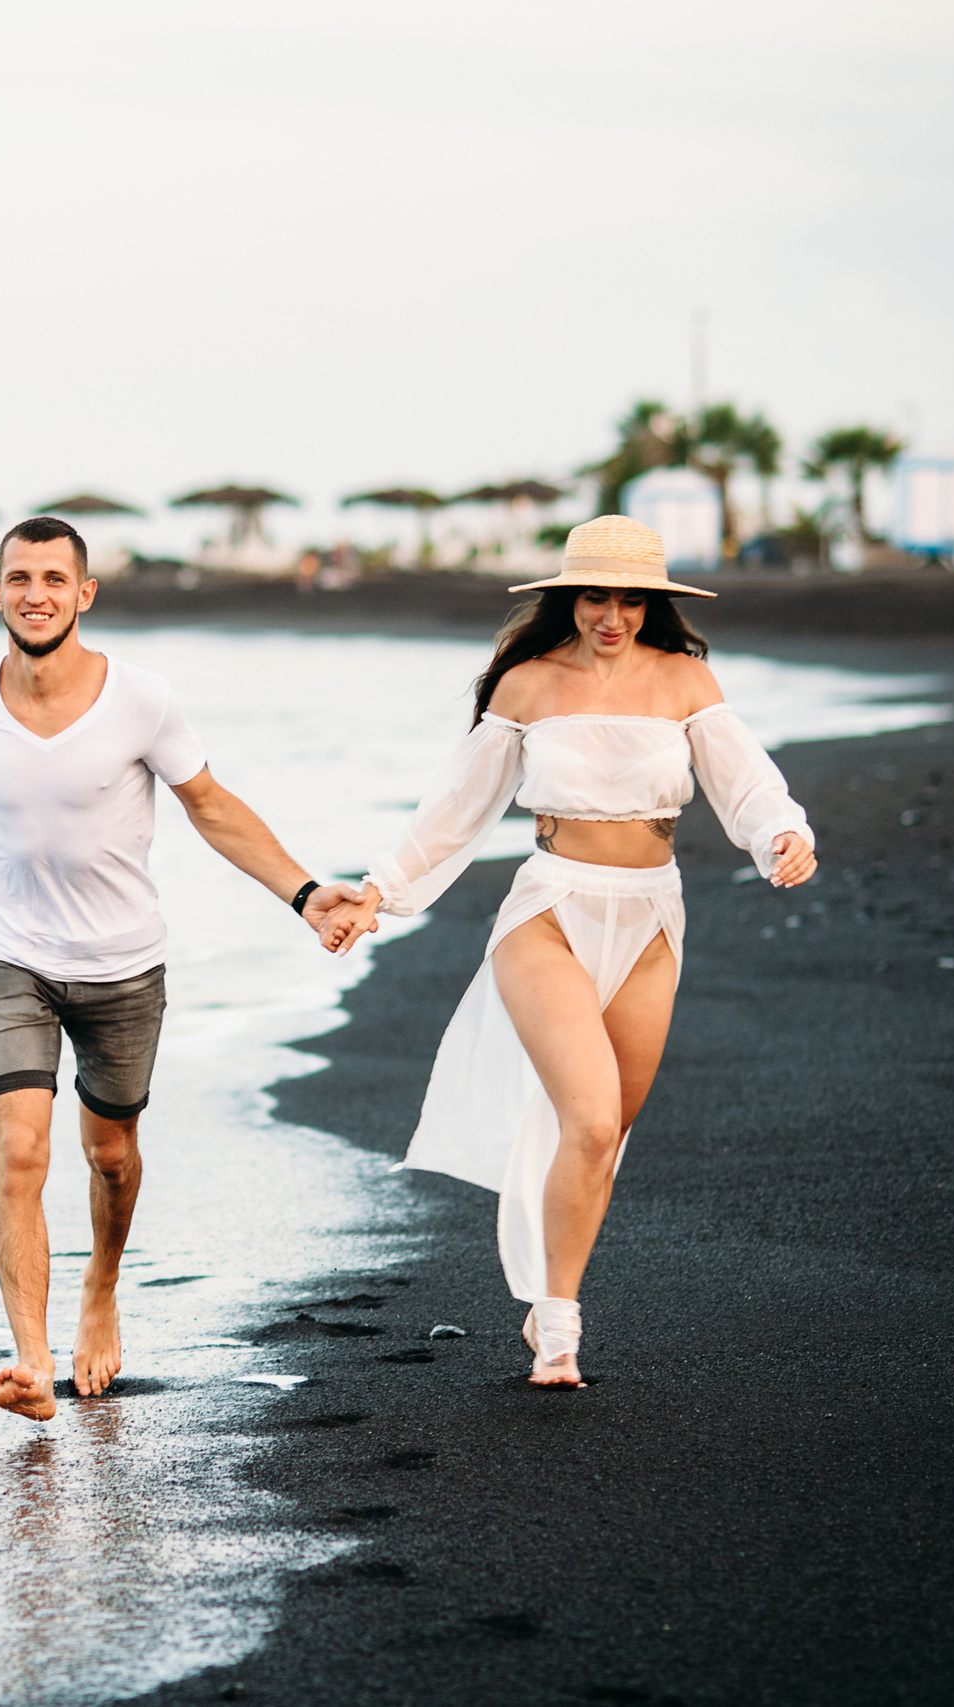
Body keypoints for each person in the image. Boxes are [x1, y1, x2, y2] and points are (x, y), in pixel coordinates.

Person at [0, 515, 361, 1421]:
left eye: (55, 579)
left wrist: (304, 896)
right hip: (8, 958)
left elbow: (210, 805)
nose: (36, 593)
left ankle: (103, 1286)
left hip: (122, 967)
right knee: (20, 1148)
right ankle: (30, 1358)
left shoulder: (140, 699)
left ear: (84, 593)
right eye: (19, 577)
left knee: (111, 1156)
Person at [321, 515, 816, 1387]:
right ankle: (558, 1328)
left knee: (604, 1130)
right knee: (587, 1118)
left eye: (631, 599)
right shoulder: (528, 685)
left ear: (654, 604)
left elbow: (746, 781)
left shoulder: (684, 679)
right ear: (568, 598)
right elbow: (456, 809)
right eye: (595, 596)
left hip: (653, 916)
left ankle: (548, 1295)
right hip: (549, 909)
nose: (612, 615)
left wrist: (781, 833)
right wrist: (379, 892)